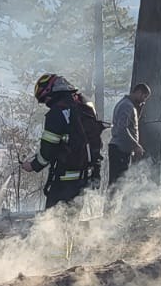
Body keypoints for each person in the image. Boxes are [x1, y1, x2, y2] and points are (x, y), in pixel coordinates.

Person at [27, 73, 104, 209]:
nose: (47, 103)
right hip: (89, 176)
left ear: (51, 93)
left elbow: (48, 150)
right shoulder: (86, 104)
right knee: (78, 225)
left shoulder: (57, 112)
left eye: (46, 99)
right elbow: (94, 139)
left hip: (65, 182)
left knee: (53, 224)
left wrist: (33, 165)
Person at [107, 83, 150, 192]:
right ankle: (110, 208)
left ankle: (113, 208)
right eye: (144, 97)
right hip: (119, 150)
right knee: (116, 185)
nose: (144, 101)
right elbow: (122, 128)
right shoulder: (127, 106)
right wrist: (136, 145)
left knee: (119, 185)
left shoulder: (129, 106)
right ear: (139, 92)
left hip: (122, 150)